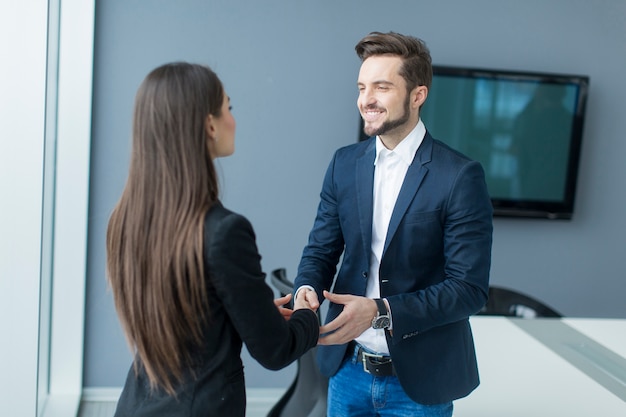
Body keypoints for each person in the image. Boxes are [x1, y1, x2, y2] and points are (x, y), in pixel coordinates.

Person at [293, 32, 493, 416]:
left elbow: (468, 290)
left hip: (419, 381)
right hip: (347, 368)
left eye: (381, 87)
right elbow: (321, 249)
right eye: (362, 87)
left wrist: (381, 311)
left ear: (418, 95)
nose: (366, 100)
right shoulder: (344, 164)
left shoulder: (459, 176)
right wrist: (307, 287)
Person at [106, 62, 319, 417]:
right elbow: (275, 352)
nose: (233, 120)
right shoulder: (224, 231)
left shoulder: (124, 221)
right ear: (209, 124)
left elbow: (189, 320)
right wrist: (306, 315)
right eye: (228, 108)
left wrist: (258, 315)